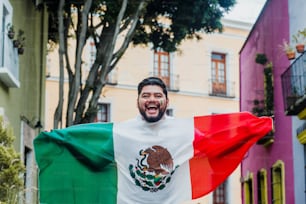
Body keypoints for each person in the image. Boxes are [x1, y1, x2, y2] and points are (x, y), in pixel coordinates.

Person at [34, 77, 273, 204]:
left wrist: (254, 127)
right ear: (138, 101)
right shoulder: (121, 133)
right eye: (146, 95)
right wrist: (60, 139)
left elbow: (216, 141)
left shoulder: (183, 131)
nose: (152, 99)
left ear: (166, 102)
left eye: (158, 95)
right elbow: (94, 156)